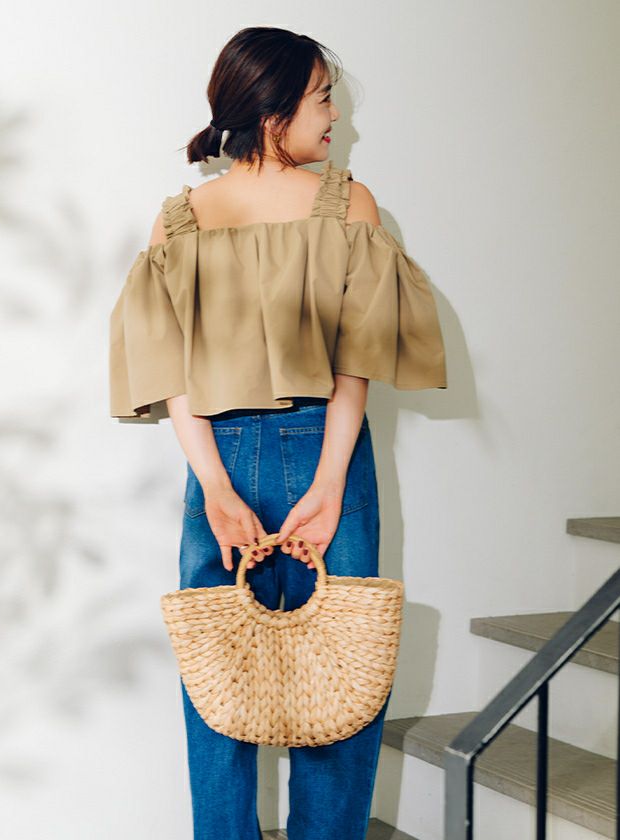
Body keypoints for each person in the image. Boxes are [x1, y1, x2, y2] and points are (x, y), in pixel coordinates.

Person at [109, 25, 447, 840]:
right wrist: (328, 485)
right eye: (324, 99)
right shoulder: (341, 206)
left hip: (222, 460)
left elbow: (177, 379)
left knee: (229, 684)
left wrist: (216, 488)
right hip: (323, 450)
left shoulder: (184, 221)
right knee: (337, 678)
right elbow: (352, 366)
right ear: (273, 112)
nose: (337, 117)